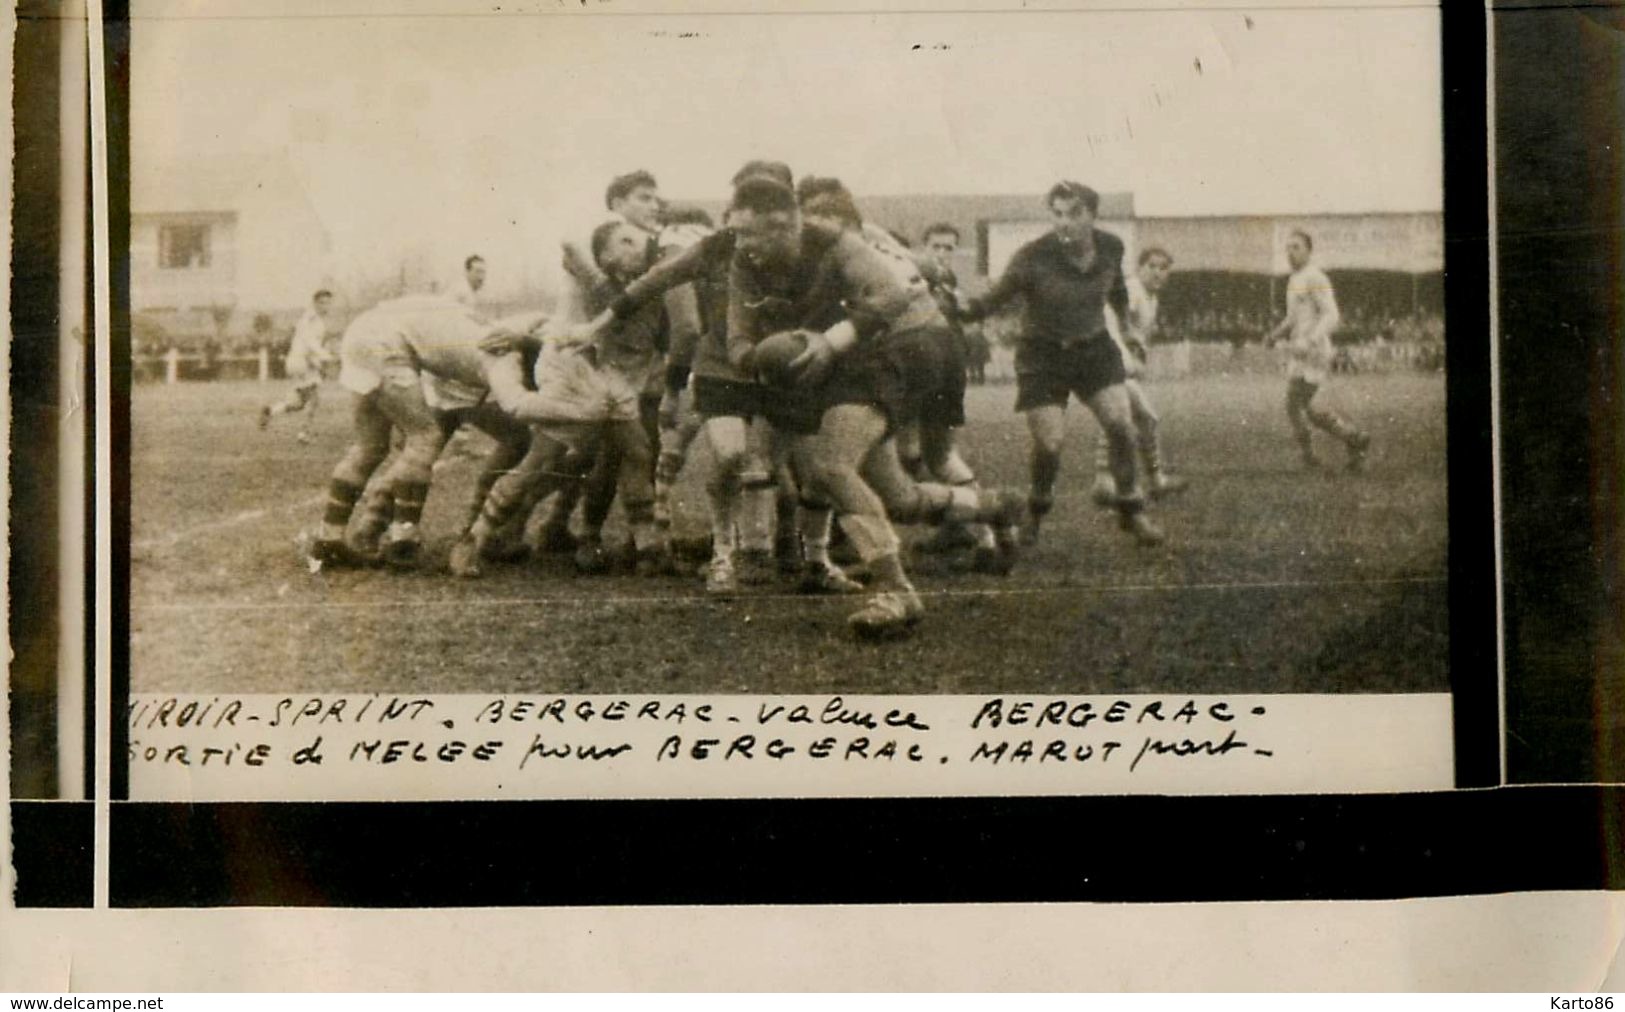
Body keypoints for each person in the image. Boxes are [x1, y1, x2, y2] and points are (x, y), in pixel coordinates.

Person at [726, 175, 1025, 639]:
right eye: (736, 231)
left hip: (910, 341)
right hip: (887, 352)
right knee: (898, 497)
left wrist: (828, 340)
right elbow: (738, 340)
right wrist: (764, 359)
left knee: (831, 464)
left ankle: (896, 590)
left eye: (749, 232)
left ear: (786, 223)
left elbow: (893, 295)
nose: (739, 241)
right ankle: (992, 506)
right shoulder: (742, 263)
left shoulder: (831, 240)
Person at [451, 219, 674, 577]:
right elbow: (569, 241)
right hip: (569, 372)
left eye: (639, 242)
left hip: (609, 377)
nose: (638, 248)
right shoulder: (582, 274)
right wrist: (597, 272)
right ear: (602, 253)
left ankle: (649, 548)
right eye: (625, 242)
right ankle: (473, 539)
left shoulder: (638, 287)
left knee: (637, 450)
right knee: (541, 459)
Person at [959, 181, 1164, 547]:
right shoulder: (1032, 256)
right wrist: (969, 309)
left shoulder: (1111, 247)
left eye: (1074, 213)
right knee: (1050, 445)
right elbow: (998, 295)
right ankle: (1037, 510)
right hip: (1043, 356)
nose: (1064, 222)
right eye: (1057, 213)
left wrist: (1129, 330)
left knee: (1121, 424)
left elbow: (1116, 289)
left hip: (1094, 350)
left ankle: (1132, 510)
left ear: (1092, 215)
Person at [306, 294, 547, 569]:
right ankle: (403, 542)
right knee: (425, 437)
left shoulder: (505, 329)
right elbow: (516, 406)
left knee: (370, 446)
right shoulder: (505, 359)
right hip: (387, 343)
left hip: (362, 331)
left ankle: (329, 540)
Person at [1263, 230, 1371, 472]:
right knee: (1303, 407)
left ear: (1309, 251)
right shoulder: (1294, 280)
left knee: (1299, 406)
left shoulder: (1316, 278)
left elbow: (1332, 314)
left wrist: (1310, 340)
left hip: (1314, 351)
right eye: (1288, 248)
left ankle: (1330, 448)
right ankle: (1350, 440)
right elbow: (1292, 318)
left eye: (1296, 247)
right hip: (1301, 351)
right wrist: (1275, 334)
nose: (1290, 253)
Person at [1089, 246, 1188, 505]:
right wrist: (1123, 354)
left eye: (1163, 268)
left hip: (1115, 361)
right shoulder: (1132, 291)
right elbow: (1110, 317)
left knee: (1136, 418)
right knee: (1135, 417)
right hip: (1108, 360)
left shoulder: (1150, 297)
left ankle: (1134, 481)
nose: (1157, 272)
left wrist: (1135, 350)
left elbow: (1132, 332)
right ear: (1139, 268)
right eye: (1152, 266)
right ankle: (1117, 481)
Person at [259, 289, 335, 442]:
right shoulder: (313, 320)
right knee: (314, 400)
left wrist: (320, 361)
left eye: (328, 303)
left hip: (299, 362)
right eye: (322, 303)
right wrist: (325, 357)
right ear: (315, 303)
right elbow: (310, 344)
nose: (326, 306)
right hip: (301, 362)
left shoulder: (310, 318)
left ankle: (270, 411)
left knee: (298, 403)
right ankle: (303, 435)